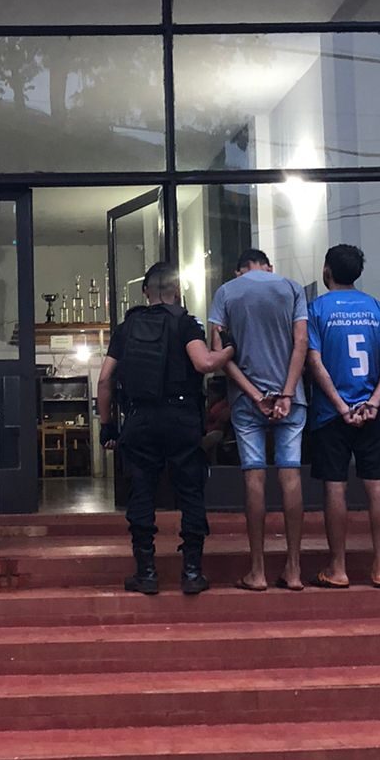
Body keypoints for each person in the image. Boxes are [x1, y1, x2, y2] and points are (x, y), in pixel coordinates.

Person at [97, 262, 234, 595]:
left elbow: (104, 380)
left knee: (141, 492)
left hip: (140, 419)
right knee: (190, 492)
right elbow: (204, 363)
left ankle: (146, 573)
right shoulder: (185, 323)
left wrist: (107, 426)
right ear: (176, 291)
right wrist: (230, 349)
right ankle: (191, 573)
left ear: (146, 291)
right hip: (181, 418)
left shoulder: (126, 328)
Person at [208, 249, 309, 592]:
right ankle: (293, 569)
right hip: (291, 399)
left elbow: (219, 354)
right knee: (290, 475)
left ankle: (257, 571)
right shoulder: (292, 288)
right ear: (269, 266)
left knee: (254, 478)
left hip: (247, 399)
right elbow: (301, 342)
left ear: (239, 270)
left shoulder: (226, 292)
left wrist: (254, 394)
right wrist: (287, 393)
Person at [306, 244, 380, 590]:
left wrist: (339, 405)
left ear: (326, 271)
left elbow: (314, 362)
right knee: (376, 485)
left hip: (331, 414)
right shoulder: (376, 308)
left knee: (335, 486)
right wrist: (374, 402)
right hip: (372, 412)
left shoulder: (317, 309)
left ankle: (338, 568)